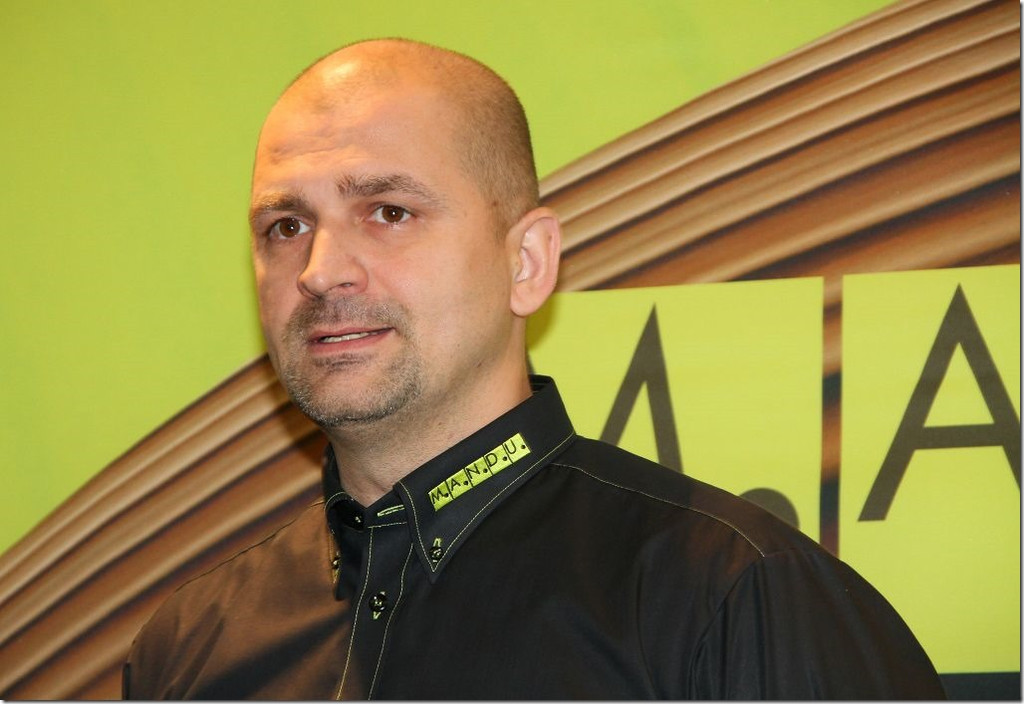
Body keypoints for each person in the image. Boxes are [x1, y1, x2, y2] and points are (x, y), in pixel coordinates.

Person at [123, 38, 945, 699]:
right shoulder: (188, 644)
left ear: (527, 262)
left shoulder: (736, 598)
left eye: (389, 212)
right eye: (286, 226)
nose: (321, 270)